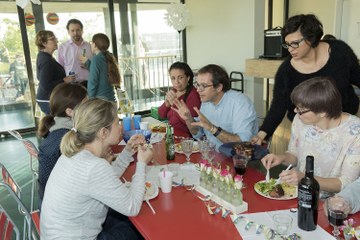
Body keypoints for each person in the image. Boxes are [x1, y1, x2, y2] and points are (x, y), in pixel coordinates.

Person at [40, 98, 153, 239]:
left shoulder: (75, 153)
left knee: (122, 218)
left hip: (55, 234)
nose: (121, 127)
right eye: (117, 122)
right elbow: (133, 207)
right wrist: (142, 163)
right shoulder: (94, 166)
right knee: (141, 230)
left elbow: (104, 181)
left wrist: (128, 151)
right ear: (103, 133)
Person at [252, 14, 360, 153]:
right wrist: (263, 133)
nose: (290, 49)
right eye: (287, 44)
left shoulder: (340, 52)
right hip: (309, 129)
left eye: (295, 43)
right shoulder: (286, 71)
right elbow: (278, 105)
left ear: (311, 38)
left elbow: (357, 77)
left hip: (342, 124)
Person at [261, 77, 360, 199]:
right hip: (297, 194)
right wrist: (281, 158)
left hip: (332, 203)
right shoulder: (300, 120)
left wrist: (305, 179)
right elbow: (295, 155)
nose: (295, 111)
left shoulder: (355, 132)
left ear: (323, 112)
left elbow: (346, 183)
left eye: (301, 110)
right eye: (296, 107)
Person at [173, 64, 258, 150]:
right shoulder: (206, 101)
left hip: (237, 159)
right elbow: (198, 133)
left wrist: (212, 128)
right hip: (212, 155)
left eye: (204, 86)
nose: (198, 90)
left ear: (218, 87)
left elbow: (243, 143)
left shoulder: (240, 103)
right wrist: (188, 119)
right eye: (197, 85)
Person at [37, 83, 87, 206]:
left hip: (48, 201)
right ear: (70, 112)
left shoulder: (56, 128)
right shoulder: (67, 138)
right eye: (86, 105)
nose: (90, 109)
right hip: (60, 206)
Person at [35, 30, 74, 114]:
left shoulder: (45, 57)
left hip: (48, 98)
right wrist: (64, 80)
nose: (56, 41)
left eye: (55, 38)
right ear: (44, 43)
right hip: (47, 99)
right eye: (52, 39)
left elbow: (40, 77)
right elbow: (45, 85)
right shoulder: (46, 60)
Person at [158, 62, 201, 137]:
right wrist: (167, 104)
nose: (176, 82)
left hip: (186, 138)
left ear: (188, 78)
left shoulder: (194, 95)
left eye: (180, 77)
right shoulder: (174, 90)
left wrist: (174, 104)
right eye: (173, 78)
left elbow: (191, 125)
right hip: (171, 133)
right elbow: (161, 114)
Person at [80, 33, 120, 101]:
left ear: (95, 45)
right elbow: (102, 73)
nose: (91, 45)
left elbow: (93, 81)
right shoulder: (107, 56)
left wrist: (90, 99)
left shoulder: (96, 59)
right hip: (111, 99)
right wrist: (88, 63)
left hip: (100, 101)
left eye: (91, 43)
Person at [57, 19, 92, 86]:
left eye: (78, 30)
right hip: (71, 85)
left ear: (82, 31)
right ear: (68, 32)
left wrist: (89, 65)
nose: (75, 33)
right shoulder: (62, 47)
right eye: (72, 31)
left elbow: (96, 66)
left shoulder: (90, 46)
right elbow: (60, 69)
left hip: (89, 84)